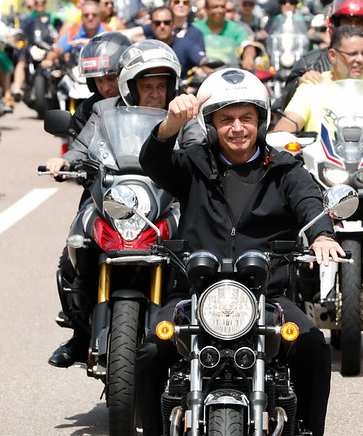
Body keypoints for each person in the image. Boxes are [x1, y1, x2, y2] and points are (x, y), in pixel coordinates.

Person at [135, 68, 343, 436]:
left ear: (261, 121)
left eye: (246, 118)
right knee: (152, 350)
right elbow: (154, 162)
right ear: (212, 125)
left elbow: (310, 201)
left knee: (312, 345)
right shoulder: (194, 164)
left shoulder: (284, 169)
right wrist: (169, 124)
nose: (237, 128)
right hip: (193, 293)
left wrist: (321, 235)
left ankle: (310, 431)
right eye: (226, 119)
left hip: (268, 296)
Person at [46, 40, 181, 367]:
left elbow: (196, 145)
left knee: (193, 252)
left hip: (163, 197)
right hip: (114, 196)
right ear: (131, 86)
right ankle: (81, 335)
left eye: (161, 86)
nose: (154, 93)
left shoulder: (181, 113)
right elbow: (82, 145)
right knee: (73, 254)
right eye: (146, 86)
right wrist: (64, 162)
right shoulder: (104, 111)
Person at [274, 25, 363, 134]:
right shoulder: (312, 84)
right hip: (321, 167)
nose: (360, 59)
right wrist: (278, 137)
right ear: (332, 55)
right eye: (352, 54)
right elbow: (289, 122)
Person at [42, 1, 111, 69]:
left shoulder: (109, 32)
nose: (90, 18)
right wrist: (49, 59)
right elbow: (59, 48)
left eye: (94, 15)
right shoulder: (74, 32)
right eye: (86, 15)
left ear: (99, 16)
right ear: (81, 17)